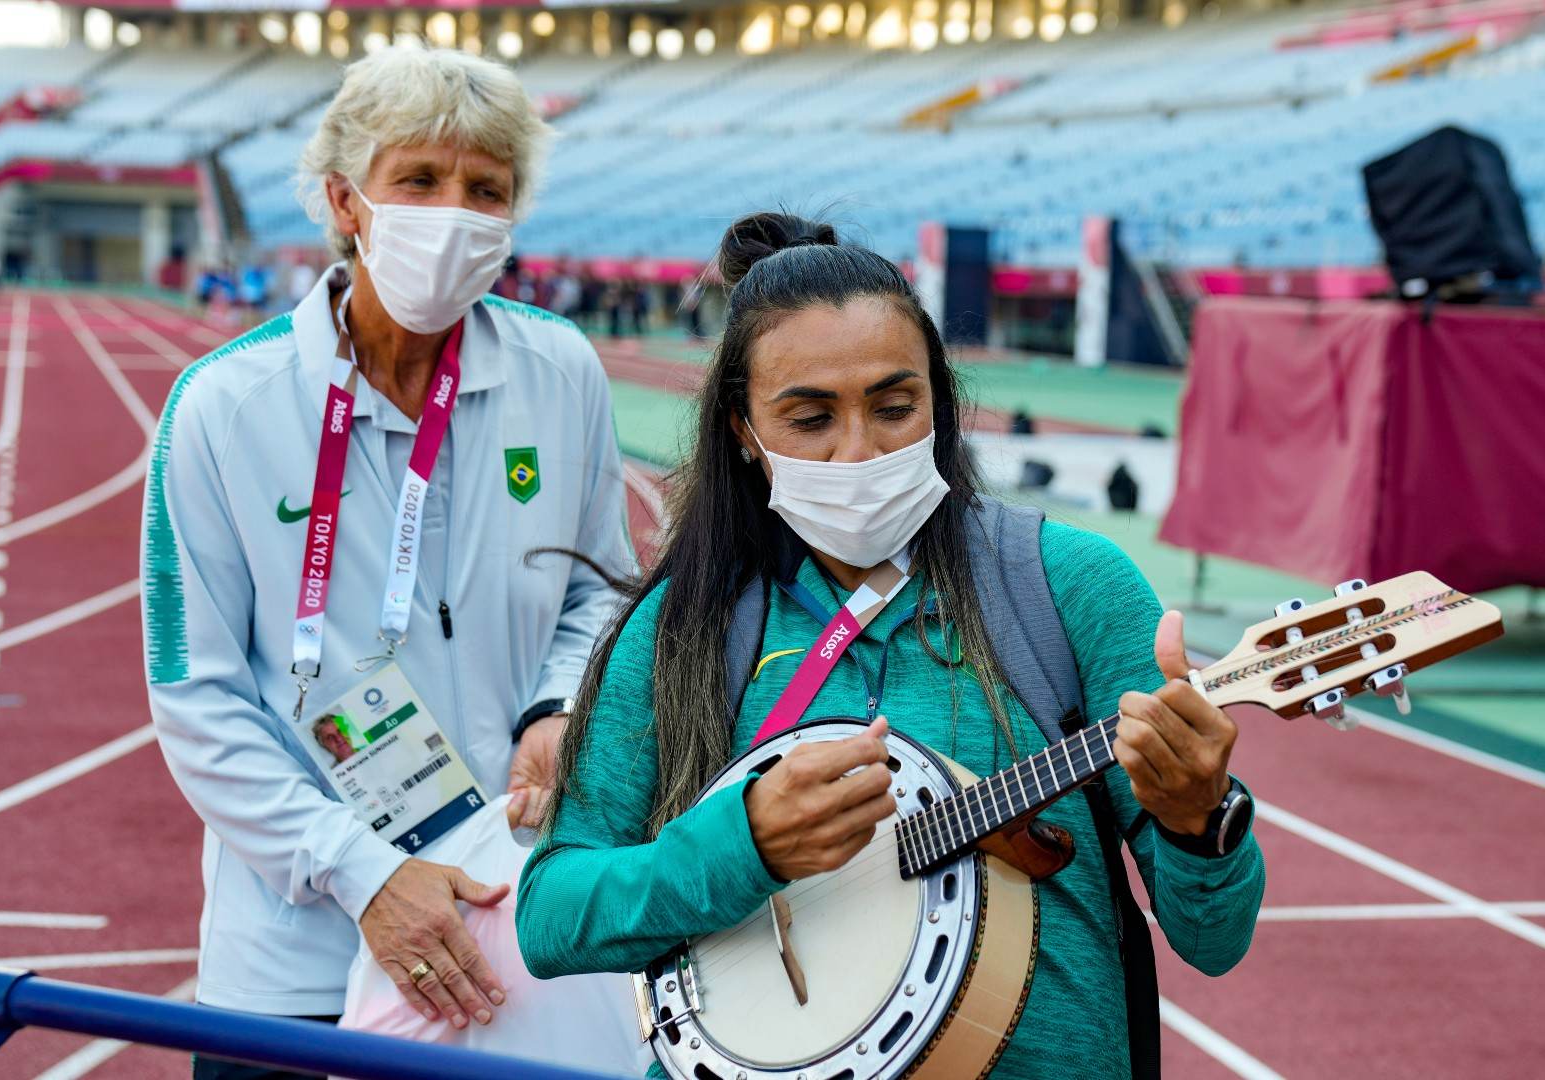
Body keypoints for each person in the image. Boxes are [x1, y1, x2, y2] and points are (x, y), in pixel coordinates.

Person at [517, 213, 1265, 1079]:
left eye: (894, 406)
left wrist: (1197, 819)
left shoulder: (1070, 588)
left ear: (940, 403)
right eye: (808, 419)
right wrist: (742, 847)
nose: (859, 450)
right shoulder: (684, 631)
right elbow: (552, 917)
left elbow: (1215, 942)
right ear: (742, 432)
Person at [142, 47, 633, 1080]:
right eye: (420, 179)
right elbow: (198, 697)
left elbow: (599, 594)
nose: (456, 213)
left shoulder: (562, 372)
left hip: (509, 929)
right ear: (345, 199)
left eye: (487, 190)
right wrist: (365, 876)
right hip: (292, 965)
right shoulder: (224, 404)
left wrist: (557, 709)